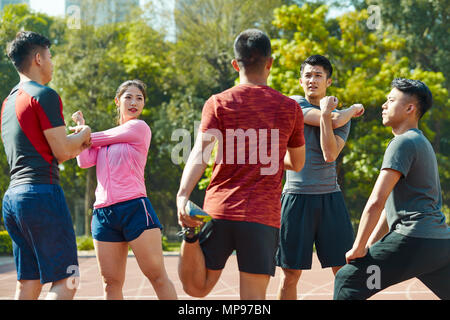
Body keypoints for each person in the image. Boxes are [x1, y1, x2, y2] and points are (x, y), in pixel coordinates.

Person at [176, 29, 306, 300]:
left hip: (220, 210)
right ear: (270, 62)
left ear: (236, 64)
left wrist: (183, 195)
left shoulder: (218, 103)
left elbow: (200, 152)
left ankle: (190, 234)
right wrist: (267, 152)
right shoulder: (290, 108)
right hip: (262, 217)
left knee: (196, 289)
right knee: (254, 301)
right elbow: (296, 162)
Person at [334, 78, 450, 300]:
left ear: (409, 108)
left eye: (390, 100)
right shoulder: (421, 142)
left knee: (347, 279)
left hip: (413, 240)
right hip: (439, 246)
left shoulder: (402, 142)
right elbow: (389, 211)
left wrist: (358, 248)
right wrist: (368, 247)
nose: (383, 105)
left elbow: (376, 201)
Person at [1, 31, 91, 300]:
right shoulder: (45, 95)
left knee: (28, 283)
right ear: (38, 58)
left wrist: (75, 141)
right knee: (68, 280)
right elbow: (62, 151)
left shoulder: (7, 103)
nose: (52, 63)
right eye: (50, 57)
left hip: (13, 199)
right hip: (42, 193)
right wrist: (84, 134)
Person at [73, 79, 177, 300]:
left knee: (157, 276)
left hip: (134, 208)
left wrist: (83, 134)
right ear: (117, 101)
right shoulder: (103, 140)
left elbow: (91, 140)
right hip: (103, 213)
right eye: (128, 97)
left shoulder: (139, 128)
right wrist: (83, 130)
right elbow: (83, 161)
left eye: (139, 98)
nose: (134, 102)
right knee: (111, 284)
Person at [276, 55, 365, 300]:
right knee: (290, 275)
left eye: (318, 75)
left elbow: (329, 154)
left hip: (330, 199)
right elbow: (333, 118)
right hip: (295, 198)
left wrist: (329, 114)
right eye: (307, 75)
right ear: (300, 80)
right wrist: (347, 110)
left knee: (345, 272)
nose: (312, 80)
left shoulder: (340, 120)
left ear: (329, 81)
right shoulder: (294, 104)